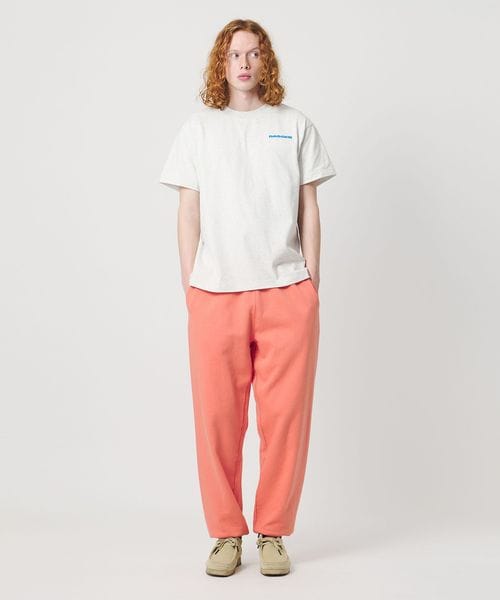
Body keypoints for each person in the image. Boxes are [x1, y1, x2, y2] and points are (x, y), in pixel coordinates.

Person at [158, 19, 337, 577]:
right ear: (222, 62)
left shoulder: (294, 124)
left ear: (266, 62)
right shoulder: (199, 129)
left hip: (287, 292)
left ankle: (274, 531)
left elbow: (309, 207)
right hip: (216, 294)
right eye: (235, 54)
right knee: (217, 421)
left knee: (285, 422)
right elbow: (188, 211)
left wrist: (311, 283)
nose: (244, 63)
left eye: (254, 53)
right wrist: (191, 285)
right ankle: (226, 535)